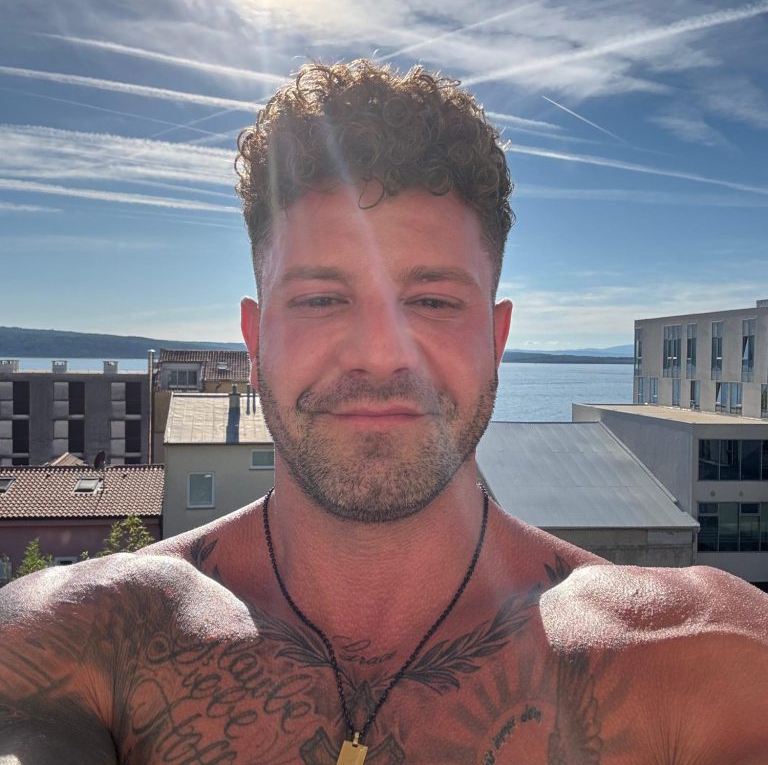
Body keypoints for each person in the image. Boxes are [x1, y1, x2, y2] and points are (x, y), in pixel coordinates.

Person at [1, 59, 767, 765]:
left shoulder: (696, 659)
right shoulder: (85, 641)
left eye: (432, 300)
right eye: (321, 299)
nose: (378, 354)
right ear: (255, 341)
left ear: (496, 340)